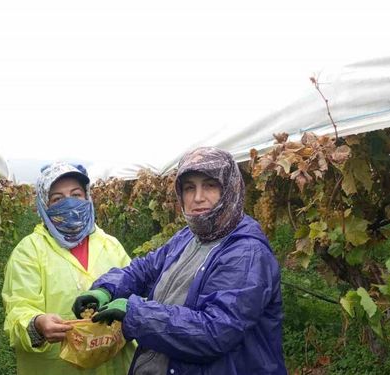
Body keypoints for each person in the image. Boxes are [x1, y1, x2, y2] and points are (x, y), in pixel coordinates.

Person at [73, 147, 286, 375]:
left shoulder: (246, 253)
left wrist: (135, 313)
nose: (198, 197)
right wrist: (106, 290)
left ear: (230, 189)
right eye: (189, 188)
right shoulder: (189, 237)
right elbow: (145, 269)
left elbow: (214, 332)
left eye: (210, 185)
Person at [2, 162, 135, 375]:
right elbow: (18, 309)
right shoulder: (29, 251)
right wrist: (37, 324)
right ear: (44, 205)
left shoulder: (110, 245)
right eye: (57, 199)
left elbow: (136, 288)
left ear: (87, 197)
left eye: (76, 194)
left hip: (114, 366)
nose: (70, 204)